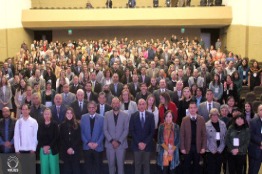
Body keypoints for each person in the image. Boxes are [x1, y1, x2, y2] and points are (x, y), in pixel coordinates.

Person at [103, 97, 129, 174]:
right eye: (113, 103)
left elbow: (126, 130)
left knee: (120, 166)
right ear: (111, 104)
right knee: (110, 166)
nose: (115, 105)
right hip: (109, 145)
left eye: (117, 103)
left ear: (120, 104)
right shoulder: (107, 114)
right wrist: (111, 141)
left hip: (121, 145)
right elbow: (105, 129)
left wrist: (118, 142)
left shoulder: (125, 115)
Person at [129, 99, 155, 174]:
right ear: (137, 106)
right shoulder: (133, 116)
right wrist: (139, 143)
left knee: (147, 165)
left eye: (143, 104)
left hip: (147, 145)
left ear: (146, 105)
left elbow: (152, 131)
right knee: (137, 165)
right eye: (140, 104)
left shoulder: (150, 116)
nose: (141, 106)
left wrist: (145, 143)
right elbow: (132, 131)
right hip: (136, 145)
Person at [180, 101, 207, 174]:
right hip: (187, 147)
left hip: (197, 147)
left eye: (194, 108)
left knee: (196, 167)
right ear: (188, 109)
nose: (192, 109)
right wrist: (182, 147)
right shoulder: (184, 119)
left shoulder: (201, 119)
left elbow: (204, 134)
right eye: (191, 108)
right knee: (186, 166)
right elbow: (182, 134)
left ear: (197, 109)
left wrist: (204, 147)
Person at [81, 101, 104, 174]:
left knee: (98, 168)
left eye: (93, 108)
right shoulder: (83, 117)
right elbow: (81, 132)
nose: (91, 109)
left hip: (98, 147)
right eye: (90, 108)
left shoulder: (101, 118)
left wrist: (97, 143)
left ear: (96, 108)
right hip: (87, 147)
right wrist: (88, 143)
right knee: (88, 167)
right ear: (87, 108)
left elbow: (103, 133)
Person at [37, 108, 60, 174]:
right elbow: (38, 137)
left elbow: (56, 137)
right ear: (43, 115)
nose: (47, 115)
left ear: (51, 115)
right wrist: (44, 147)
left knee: (54, 169)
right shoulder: (40, 124)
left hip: (53, 149)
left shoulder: (55, 124)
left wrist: (49, 146)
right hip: (43, 149)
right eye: (45, 114)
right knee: (44, 169)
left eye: (48, 114)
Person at [60, 107, 82, 174]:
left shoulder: (77, 125)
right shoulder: (62, 125)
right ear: (65, 114)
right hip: (66, 152)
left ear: (73, 114)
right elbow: (61, 139)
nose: (69, 114)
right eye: (67, 113)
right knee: (67, 170)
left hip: (75, 151)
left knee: (76, 170)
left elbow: (78, 138)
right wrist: (67, 148)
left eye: (71, 113)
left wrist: (72, 148)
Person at [205, 108, 227, 174]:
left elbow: (225, 138)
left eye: (216, 115)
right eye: (213, 115)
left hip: (220, 151)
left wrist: (220, 149)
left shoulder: (223, 124)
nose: (214, 116)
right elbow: (205, 139)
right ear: (210, 116)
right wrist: (212, 150)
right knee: (210, 170)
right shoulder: (206, 125)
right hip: (210, 152)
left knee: (218, 169)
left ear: (218, 115)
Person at [248, 104, 262, 174]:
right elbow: (251, 135)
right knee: (253, 171)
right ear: (258, 111)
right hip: (256, 150)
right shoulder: (253, 121)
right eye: (261, 110)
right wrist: (260, 142)